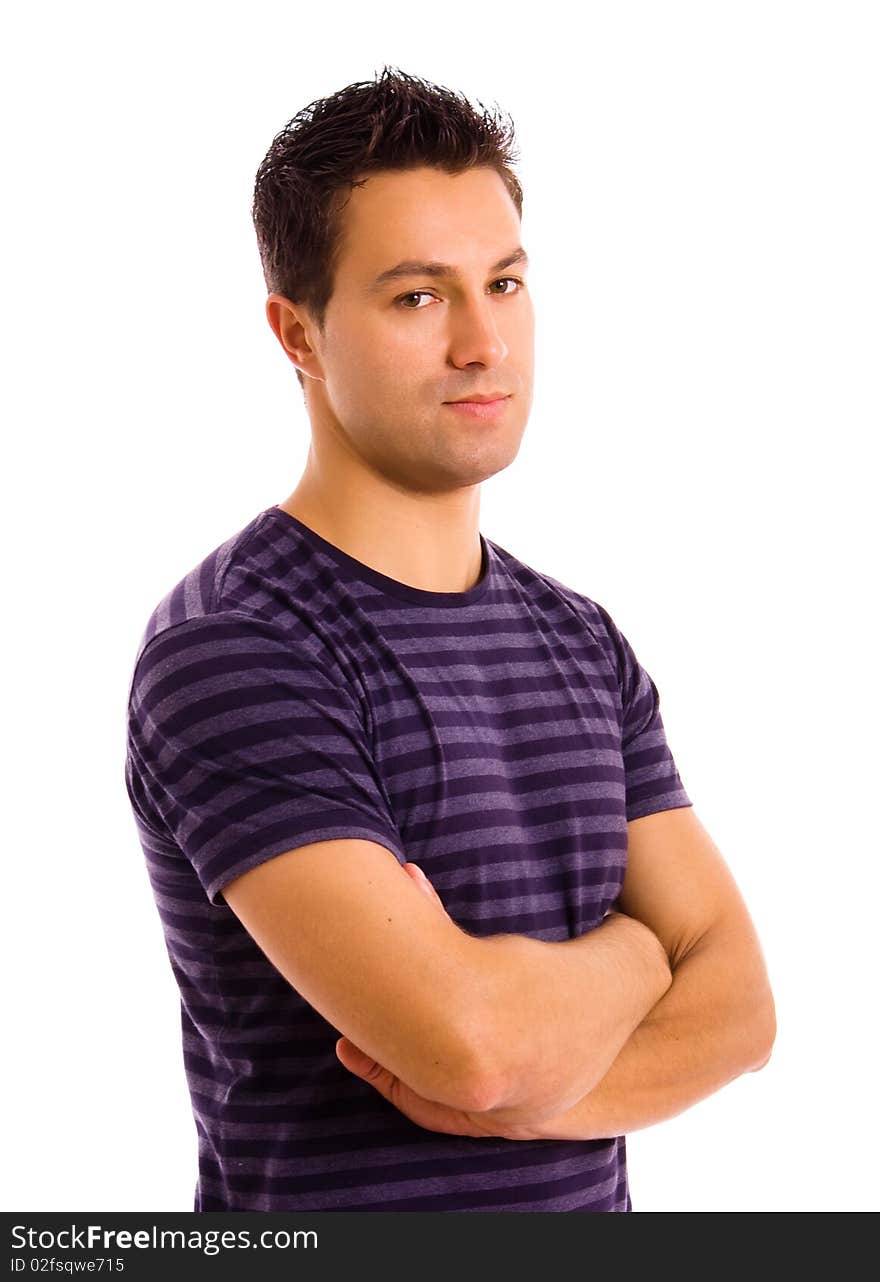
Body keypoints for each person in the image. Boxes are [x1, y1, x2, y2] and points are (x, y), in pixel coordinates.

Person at [124, 65, 775, 1213]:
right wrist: (636, 952)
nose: (485, 342)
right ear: (299, 334)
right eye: (419, 297)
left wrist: (545, 1090)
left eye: (505, 282)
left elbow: (739, 1009)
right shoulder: (238, 650)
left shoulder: (581, 640)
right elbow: (469, 1046)